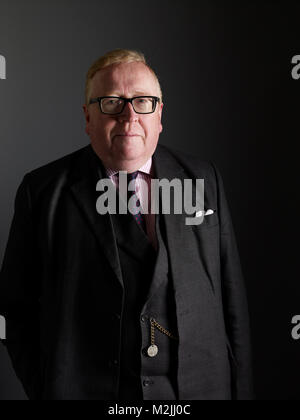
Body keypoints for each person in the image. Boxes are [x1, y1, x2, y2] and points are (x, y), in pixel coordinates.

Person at [0, 49, 253, 400]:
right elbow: (15, 311)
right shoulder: (41, 192)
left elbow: (232, 302)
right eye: (111, 102)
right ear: (88, 116)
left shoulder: (204, 179)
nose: (129, 115)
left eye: (143, 102)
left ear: (159, 115)